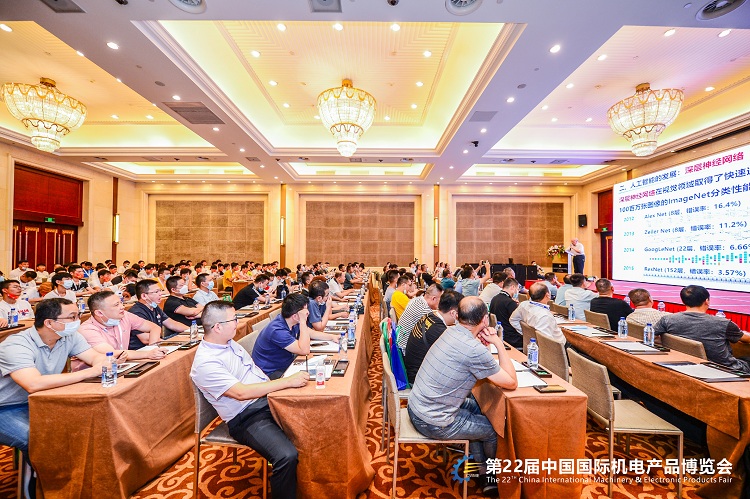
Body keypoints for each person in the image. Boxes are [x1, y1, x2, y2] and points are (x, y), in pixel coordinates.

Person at [191, 301, 308, 499]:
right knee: (286, 456)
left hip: (264, 398)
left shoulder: (229, 343)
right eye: (234, 319)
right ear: (217, 327)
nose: (238, 323)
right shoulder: (206, 362)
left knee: (311, 415)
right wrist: (286, 382)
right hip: (246, 415)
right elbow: (241, 393)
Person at [407, 296, 517, 496]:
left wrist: (484, 343)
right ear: (485, 319)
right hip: (433, 420)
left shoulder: (450, 331)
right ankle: (488, 475)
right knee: (493, 430)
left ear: (457, 316)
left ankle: (480, 466)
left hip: (418, 405)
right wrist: (498, 343)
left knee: (482, 409)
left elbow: (476, 359)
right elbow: (511, 382)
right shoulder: (472, 349)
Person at [0, 299, 105, 461]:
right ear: (49, 322)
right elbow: (33, 384)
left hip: (40, 400)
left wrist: (101, 363)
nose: (78, 321)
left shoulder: (69, 337)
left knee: (85, 425)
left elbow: (95, 357)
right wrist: (89, 372)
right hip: (5, 407)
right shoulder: (16, 345)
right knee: (42, 439)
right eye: (72, 317)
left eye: (78, 315)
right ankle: (44, 477)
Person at [653, 285, 750, 373]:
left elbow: (649, 333)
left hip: (685, 366)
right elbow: (747, 339)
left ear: (683, 301)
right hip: (724, 369)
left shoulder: (667, 320)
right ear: (706, 301)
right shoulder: (723, 323)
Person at [252, 293, 339, 379]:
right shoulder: (277, 330)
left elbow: (311, 333)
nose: (308, 313)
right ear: (295, 316)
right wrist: (303, 321)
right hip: (271, 372)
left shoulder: (290, 320)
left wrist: (332, 337)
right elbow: (304, 350)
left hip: (286, 362)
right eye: (305, 312)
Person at [75, 290, 166, 370]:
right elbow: (112, 354)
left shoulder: (124, 315)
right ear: (99, 313)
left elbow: (154, 327)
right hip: (96, 375)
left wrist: (153, 348)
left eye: (121, 302)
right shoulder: (87, 329)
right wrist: (147, 354)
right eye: (116, 305)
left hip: (122, 366)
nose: (122, 307)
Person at [404, 290, 462, 384]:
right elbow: (458, 354)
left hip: (412, 369)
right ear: (453, 313)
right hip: (419, 379)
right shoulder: (439, 330)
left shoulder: (429, 316)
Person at [128, 279, 186, 349]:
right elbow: (145, 339)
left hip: (158, 342)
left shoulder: (154, 306)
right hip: (142, 349)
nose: (160, 294)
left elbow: (172, 324)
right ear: (144, 296)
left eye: (160, 290)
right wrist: (171, 344)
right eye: (156, 292)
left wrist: (191, 330)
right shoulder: (136, 312)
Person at [396, 284, 443, 351]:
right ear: (433, 298)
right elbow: (437, 331)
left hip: (400, 343)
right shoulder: (425, 310)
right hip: (405, 349)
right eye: (440, 299)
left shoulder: (416, 300)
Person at [488, 277, 522, 349]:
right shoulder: (510, 303)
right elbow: (519, 320)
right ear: (513, 287)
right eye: (517, 289)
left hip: (500, 333)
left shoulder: (495, 298)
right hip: (511, 338)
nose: (517, 292)